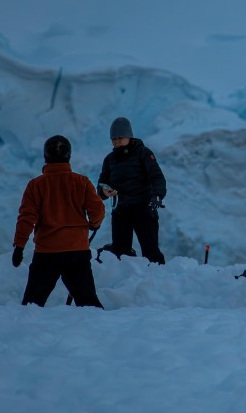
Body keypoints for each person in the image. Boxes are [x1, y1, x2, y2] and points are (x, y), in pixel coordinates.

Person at [12, 135, 105, 308]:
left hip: (46, 254)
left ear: (45, 157)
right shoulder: (82, 182)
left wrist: (19, 246)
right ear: (69, 156)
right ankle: (102, 334)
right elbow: (97, 209)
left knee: (31, 305)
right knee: (89, 305)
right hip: (77, 252)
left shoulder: (36, 185)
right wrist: (94, 224)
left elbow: (26, 218)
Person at [97, 117, 167, 264]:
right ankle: (128, 280)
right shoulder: (109, 160)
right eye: (113, 138)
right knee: (121, 252)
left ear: (129, 136)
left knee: (151, 252)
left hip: (144, 209)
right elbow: (102, 185)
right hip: (121, 211)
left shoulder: (144, 153)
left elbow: (157, 178)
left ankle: (160, 280)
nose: (116, 141)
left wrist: (157, 196)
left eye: (120, 137)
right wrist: (104, 192)